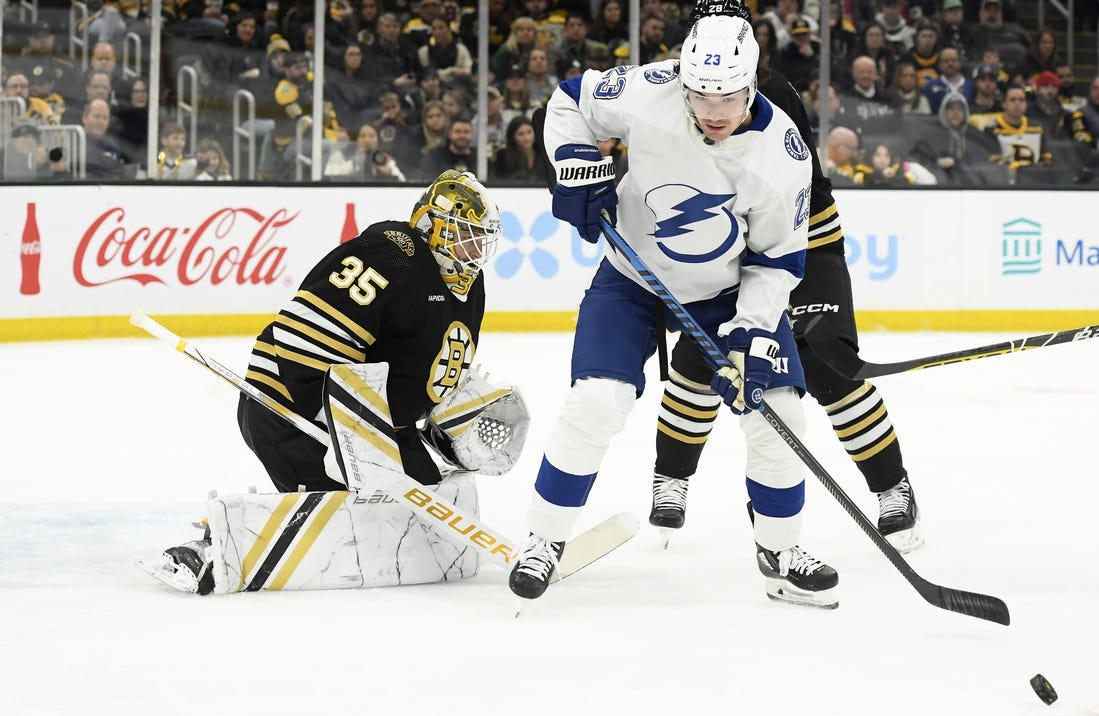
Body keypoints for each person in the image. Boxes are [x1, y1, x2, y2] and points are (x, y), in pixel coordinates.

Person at [510, 13, 840, 610]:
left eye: (731, 97)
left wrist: (749, 332)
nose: (714, 110)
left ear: (753, 85)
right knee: (595, 402)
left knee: (780, 413)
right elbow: (569, 103)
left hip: (726, 293)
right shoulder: (650, 88)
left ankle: (780, 554)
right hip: (632, 278)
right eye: (701, 95)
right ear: (683, 80)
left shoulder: (783, 155)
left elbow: (778, 262)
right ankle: (543, 539)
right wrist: (576, 168)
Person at [647, 1, 924, 575]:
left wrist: (775, 304)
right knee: (703, 359)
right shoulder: (669, 89)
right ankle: (671, 478)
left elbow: (784, 205)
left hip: (803, 241)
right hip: (728, 249)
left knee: (827, 366)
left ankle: (892, 487)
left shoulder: (769, 93)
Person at [147, 170, 509, 596]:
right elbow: (305, 343)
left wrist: (446, 416)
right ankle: (216, 546)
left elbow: (428, 369)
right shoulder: (389, 257)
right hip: (291, 407)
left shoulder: (470, 286)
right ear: (432, 226)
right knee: (355, 518)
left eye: (481, 240)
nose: (474, 252)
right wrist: (349, 440)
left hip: (375, 425)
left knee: (426, 512)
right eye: (465, 236)